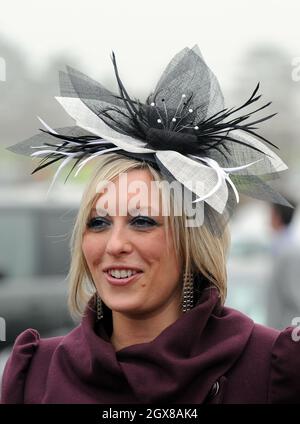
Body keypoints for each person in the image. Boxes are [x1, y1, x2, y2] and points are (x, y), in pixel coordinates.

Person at [1, 46, 300, 404]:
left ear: (194, 242)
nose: (114, 245)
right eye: (98, 223)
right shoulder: (36, 372)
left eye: (142, 221)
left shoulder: (270, 369)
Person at [266, 201, 300, 330]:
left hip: (287, 332)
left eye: (271, 213)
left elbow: (292, 299)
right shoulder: (280, 244)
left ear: (278, 216)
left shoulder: (286, 250)